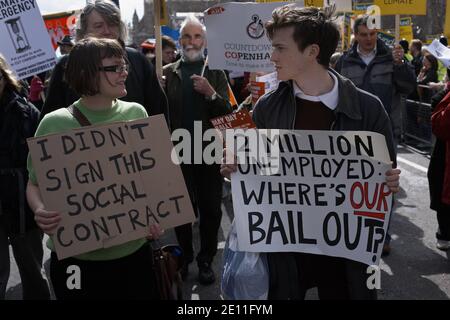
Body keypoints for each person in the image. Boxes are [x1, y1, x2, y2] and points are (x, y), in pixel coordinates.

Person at [221, 5, 401, 300]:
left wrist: (390, 183)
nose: (272, 56)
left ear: (312, 51)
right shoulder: (267, 108)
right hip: (286, 249)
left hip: (346, 253)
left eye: (280, 48)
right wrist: (236, 167)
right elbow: (256, 173)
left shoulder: (368, 110)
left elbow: (383, 179)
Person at [26, 38, 163, 299]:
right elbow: (34, 183)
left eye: (124, 66)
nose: (124, 72)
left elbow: (150, 178)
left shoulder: (137, 113)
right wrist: (40, 209)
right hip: (76, 262)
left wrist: (156, 216)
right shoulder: (53, 124)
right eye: (114, 68)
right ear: (85, 74)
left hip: (134, 254)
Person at [335, 14, 415, 255]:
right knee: (350, 184)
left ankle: (383, 235)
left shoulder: (391, 58)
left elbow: (408, 87)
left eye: (372, 34)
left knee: (384, 184)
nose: (369, 39)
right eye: (363, 35)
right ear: (355, 35)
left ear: (377, 33)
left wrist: (401, 66)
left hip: (383, 132)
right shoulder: (344, 62)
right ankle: (352, 231)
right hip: (350, 134)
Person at [163, 15, 232, 285]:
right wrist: (159, 91)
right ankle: (184, 259)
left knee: (211, 211)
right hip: (178, 152)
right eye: (187, 37)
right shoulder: (168, 72)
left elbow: (227, 114)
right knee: (181, 211)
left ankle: (205, 260)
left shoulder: (215, 72)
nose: (192, 42)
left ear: (204, 40)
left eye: (197, 36)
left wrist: (211, 93)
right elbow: (156, 113)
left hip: (208, 152)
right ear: (180, 41)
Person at [40, 0, 168, 123]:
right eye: (98, 26)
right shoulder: (66, 65)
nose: (107, 31)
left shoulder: (138, 60)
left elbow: (158, 111)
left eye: (112, 24)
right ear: (84, 31)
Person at [0, 54, 51, 300]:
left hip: (23, 205)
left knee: (32, 271)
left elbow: (43, 158)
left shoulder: (26, 111)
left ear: (4, 77)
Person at [428, 68, 450, 251]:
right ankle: (444, 231)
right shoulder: (442, 98)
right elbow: (440, 127)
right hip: (444, 156)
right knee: (441, 189)